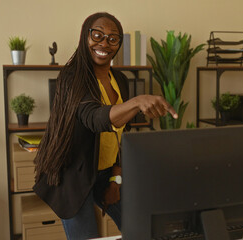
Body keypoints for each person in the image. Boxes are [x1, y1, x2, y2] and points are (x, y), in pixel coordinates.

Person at [33, 12, 177, 240]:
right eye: (97, 35)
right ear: (85, 36)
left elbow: (121, 135)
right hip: (74, 177)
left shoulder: (120, 80)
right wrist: (137, 102)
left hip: (106, 173)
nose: (104, 43)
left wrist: (115, 179)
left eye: (112, 38)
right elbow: (94, 118)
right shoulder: (72, 78)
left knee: (144, 229)